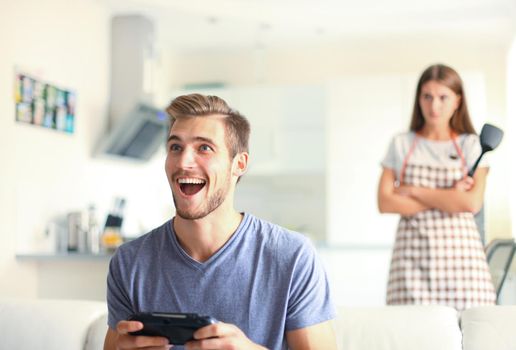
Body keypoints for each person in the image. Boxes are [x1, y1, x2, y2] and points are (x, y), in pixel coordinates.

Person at [103, 93, 337, 350]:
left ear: (239, 164)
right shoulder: (129, 262)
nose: (183, 162)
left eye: (204, 148)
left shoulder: (292, 256)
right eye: (175, 147)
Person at [377, 64, 496, 311]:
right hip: (411, 262)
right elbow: (385, 202)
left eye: (443, 97)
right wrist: (450, 196)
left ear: (457, 101)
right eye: (427, 96)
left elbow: (471, 203)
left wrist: (412, 190)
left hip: (463, 263)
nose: (434, 106)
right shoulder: (401, 144)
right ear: (418, 99)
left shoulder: (472, 146)